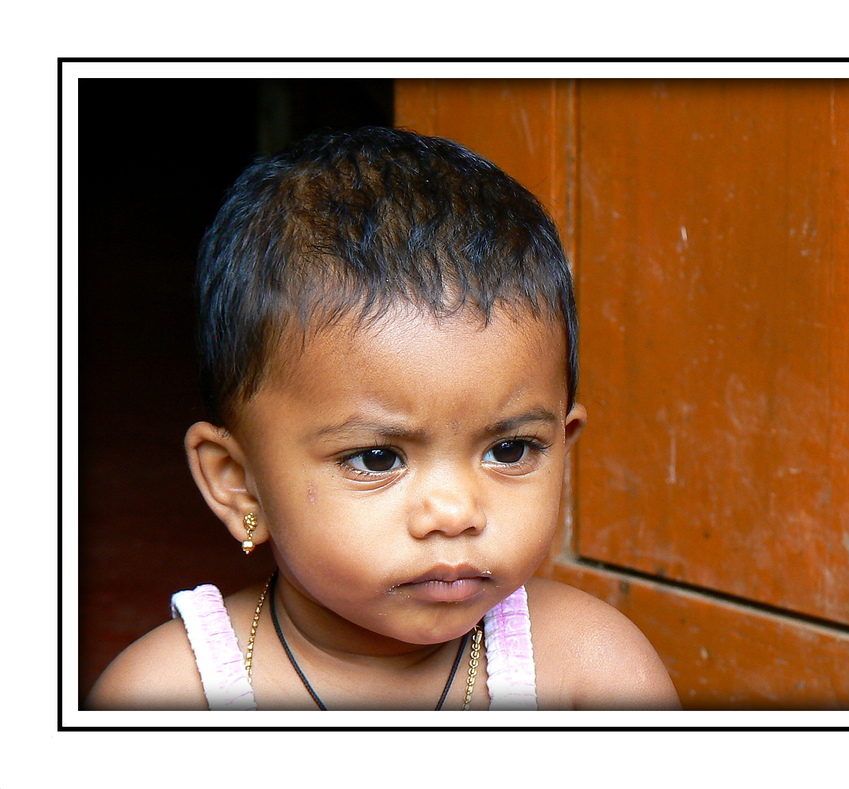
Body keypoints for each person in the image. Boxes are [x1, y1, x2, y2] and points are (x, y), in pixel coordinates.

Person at [85, 127, 681, 711]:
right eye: (378, 458)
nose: (455, 513)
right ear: (238, 481)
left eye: (511, 450)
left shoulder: (593, 670)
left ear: (564, 444)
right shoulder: (170, 696)